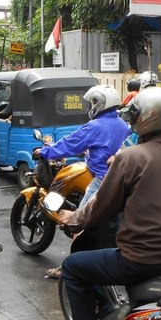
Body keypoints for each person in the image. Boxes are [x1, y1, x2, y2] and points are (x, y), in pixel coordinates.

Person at [56, 87, 161, 320]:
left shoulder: (131, 157)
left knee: (73, 267)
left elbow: (101, 206)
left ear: (144, 118)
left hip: (140, 260)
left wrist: (72, 219)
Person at [34, 85, 131, 278]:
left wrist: (45, 151)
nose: (91, 106)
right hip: (120, 178)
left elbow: (70, 143)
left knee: (80, 220)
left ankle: (70, 267)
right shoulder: (122, 124)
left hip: (101, 180)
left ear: (100, 104)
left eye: (93, 102)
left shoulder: (95, 126)